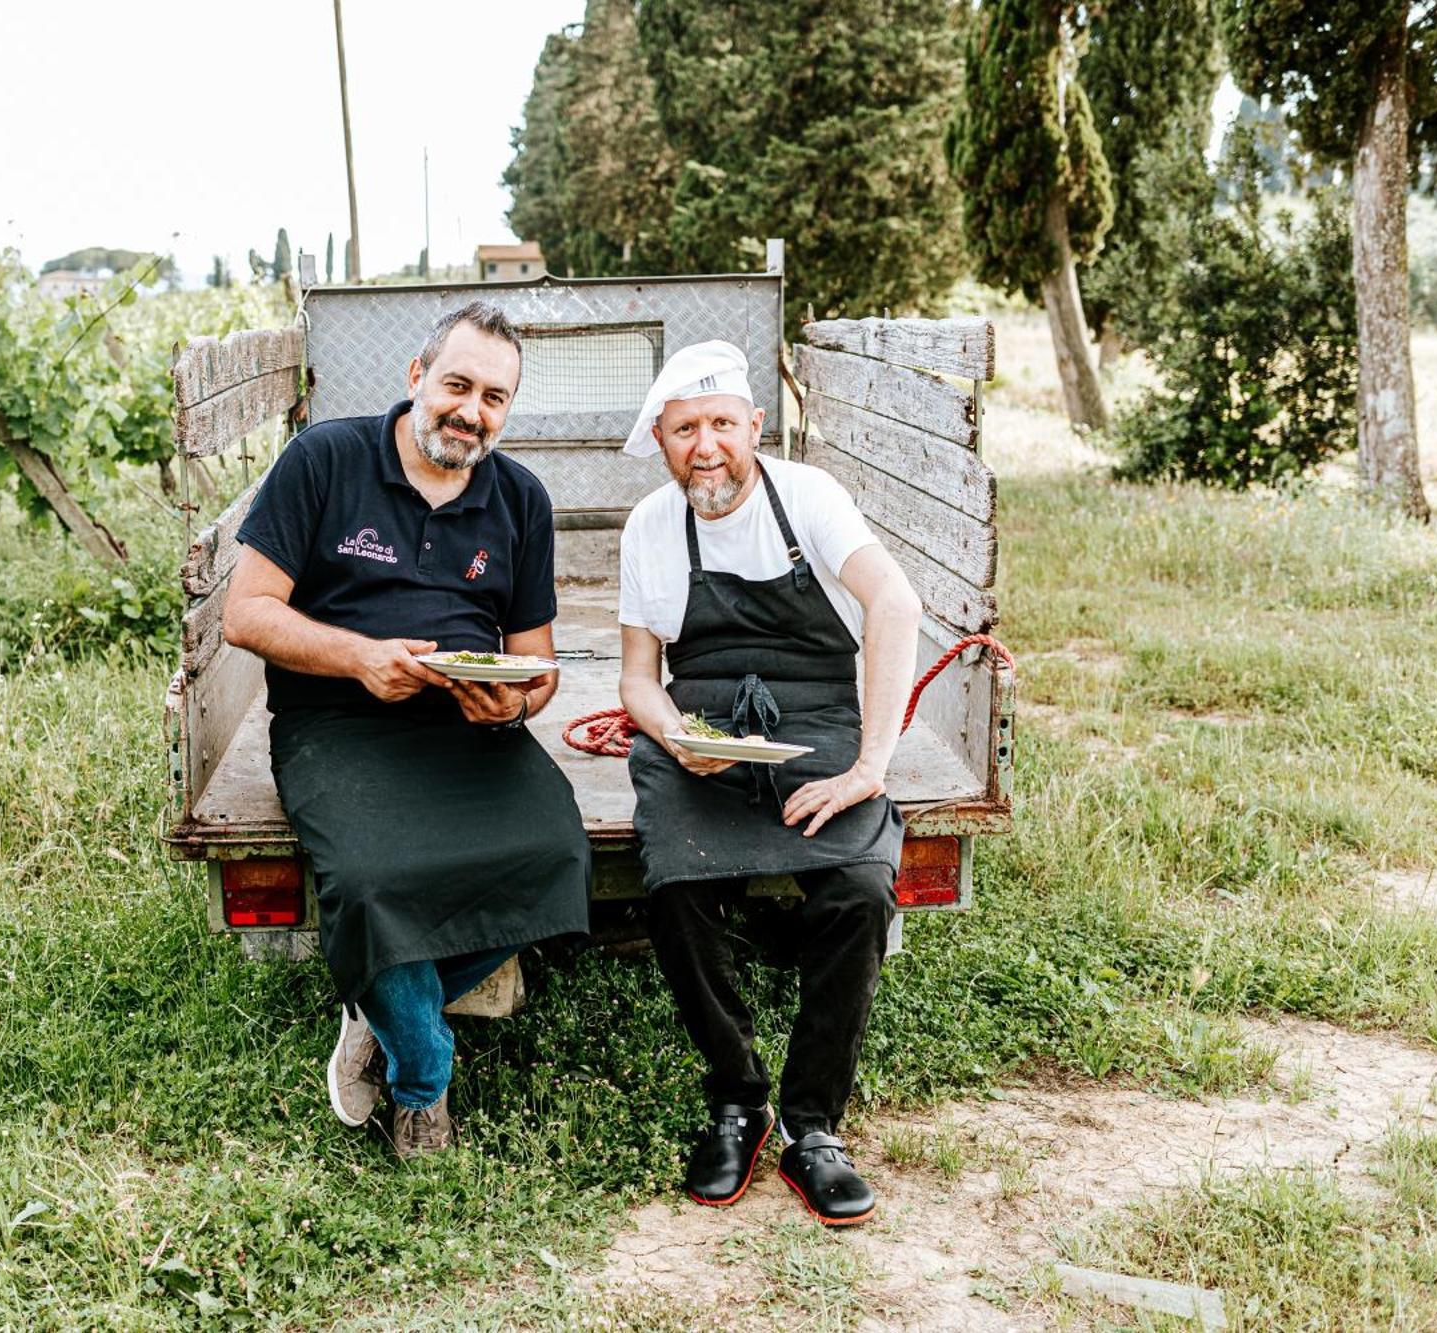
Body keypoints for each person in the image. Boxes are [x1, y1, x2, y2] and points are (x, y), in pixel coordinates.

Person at [223, 301, 590, 1160]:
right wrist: (357, 657)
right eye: (457, 384)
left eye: (495, 397)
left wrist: (518, 701)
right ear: (417, 377)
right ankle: (422, 1074)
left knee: (559, 854)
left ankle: (377, 1001)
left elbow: (536, 663)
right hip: (337, 718)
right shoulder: (325, 459)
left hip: (464, 723)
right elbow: (246, 614)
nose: (472, 411)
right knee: (371, 880)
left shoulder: (521, 499)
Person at [614, 340, 921, 1225]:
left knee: (860, 892)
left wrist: (870, 764)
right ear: (663, 444)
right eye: (683, 430)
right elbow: (639, 677)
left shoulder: (811, 497)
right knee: (675, 887)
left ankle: (813, 1124)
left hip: (821, 719)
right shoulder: (649, 528)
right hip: (701, 724)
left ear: (755, 425)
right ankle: (737, 1098)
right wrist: (675, 737)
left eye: (720, 424)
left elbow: (893, 606)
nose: (705, 446)